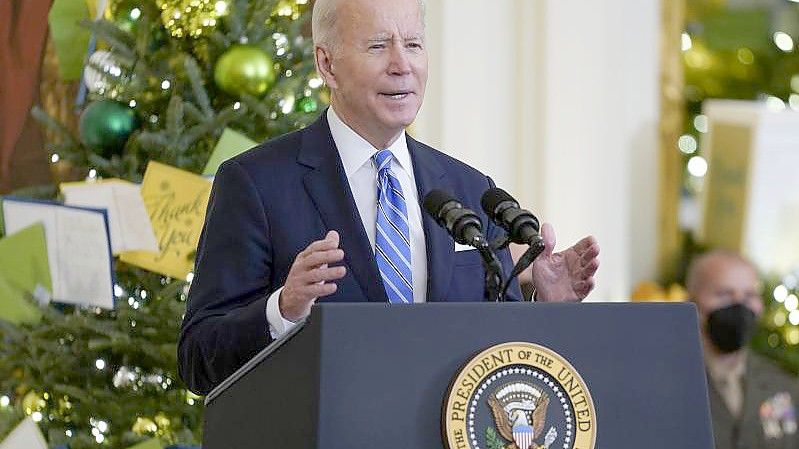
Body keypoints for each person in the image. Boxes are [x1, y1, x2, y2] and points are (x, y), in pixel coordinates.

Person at [178, 0, 600, 395]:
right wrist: (283, 309)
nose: (402, 66)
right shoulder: (255, 183)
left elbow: (496, 360)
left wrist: (547, 308)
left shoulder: (470, 189)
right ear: (327, 63)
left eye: (413, 44)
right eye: (378, 46)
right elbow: (198, 358)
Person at [688, 250, 799, 449]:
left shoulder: (785, 386)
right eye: (724, 294)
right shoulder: (668, 385)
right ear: (691, 302)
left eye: (749, 295)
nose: (739, 304)